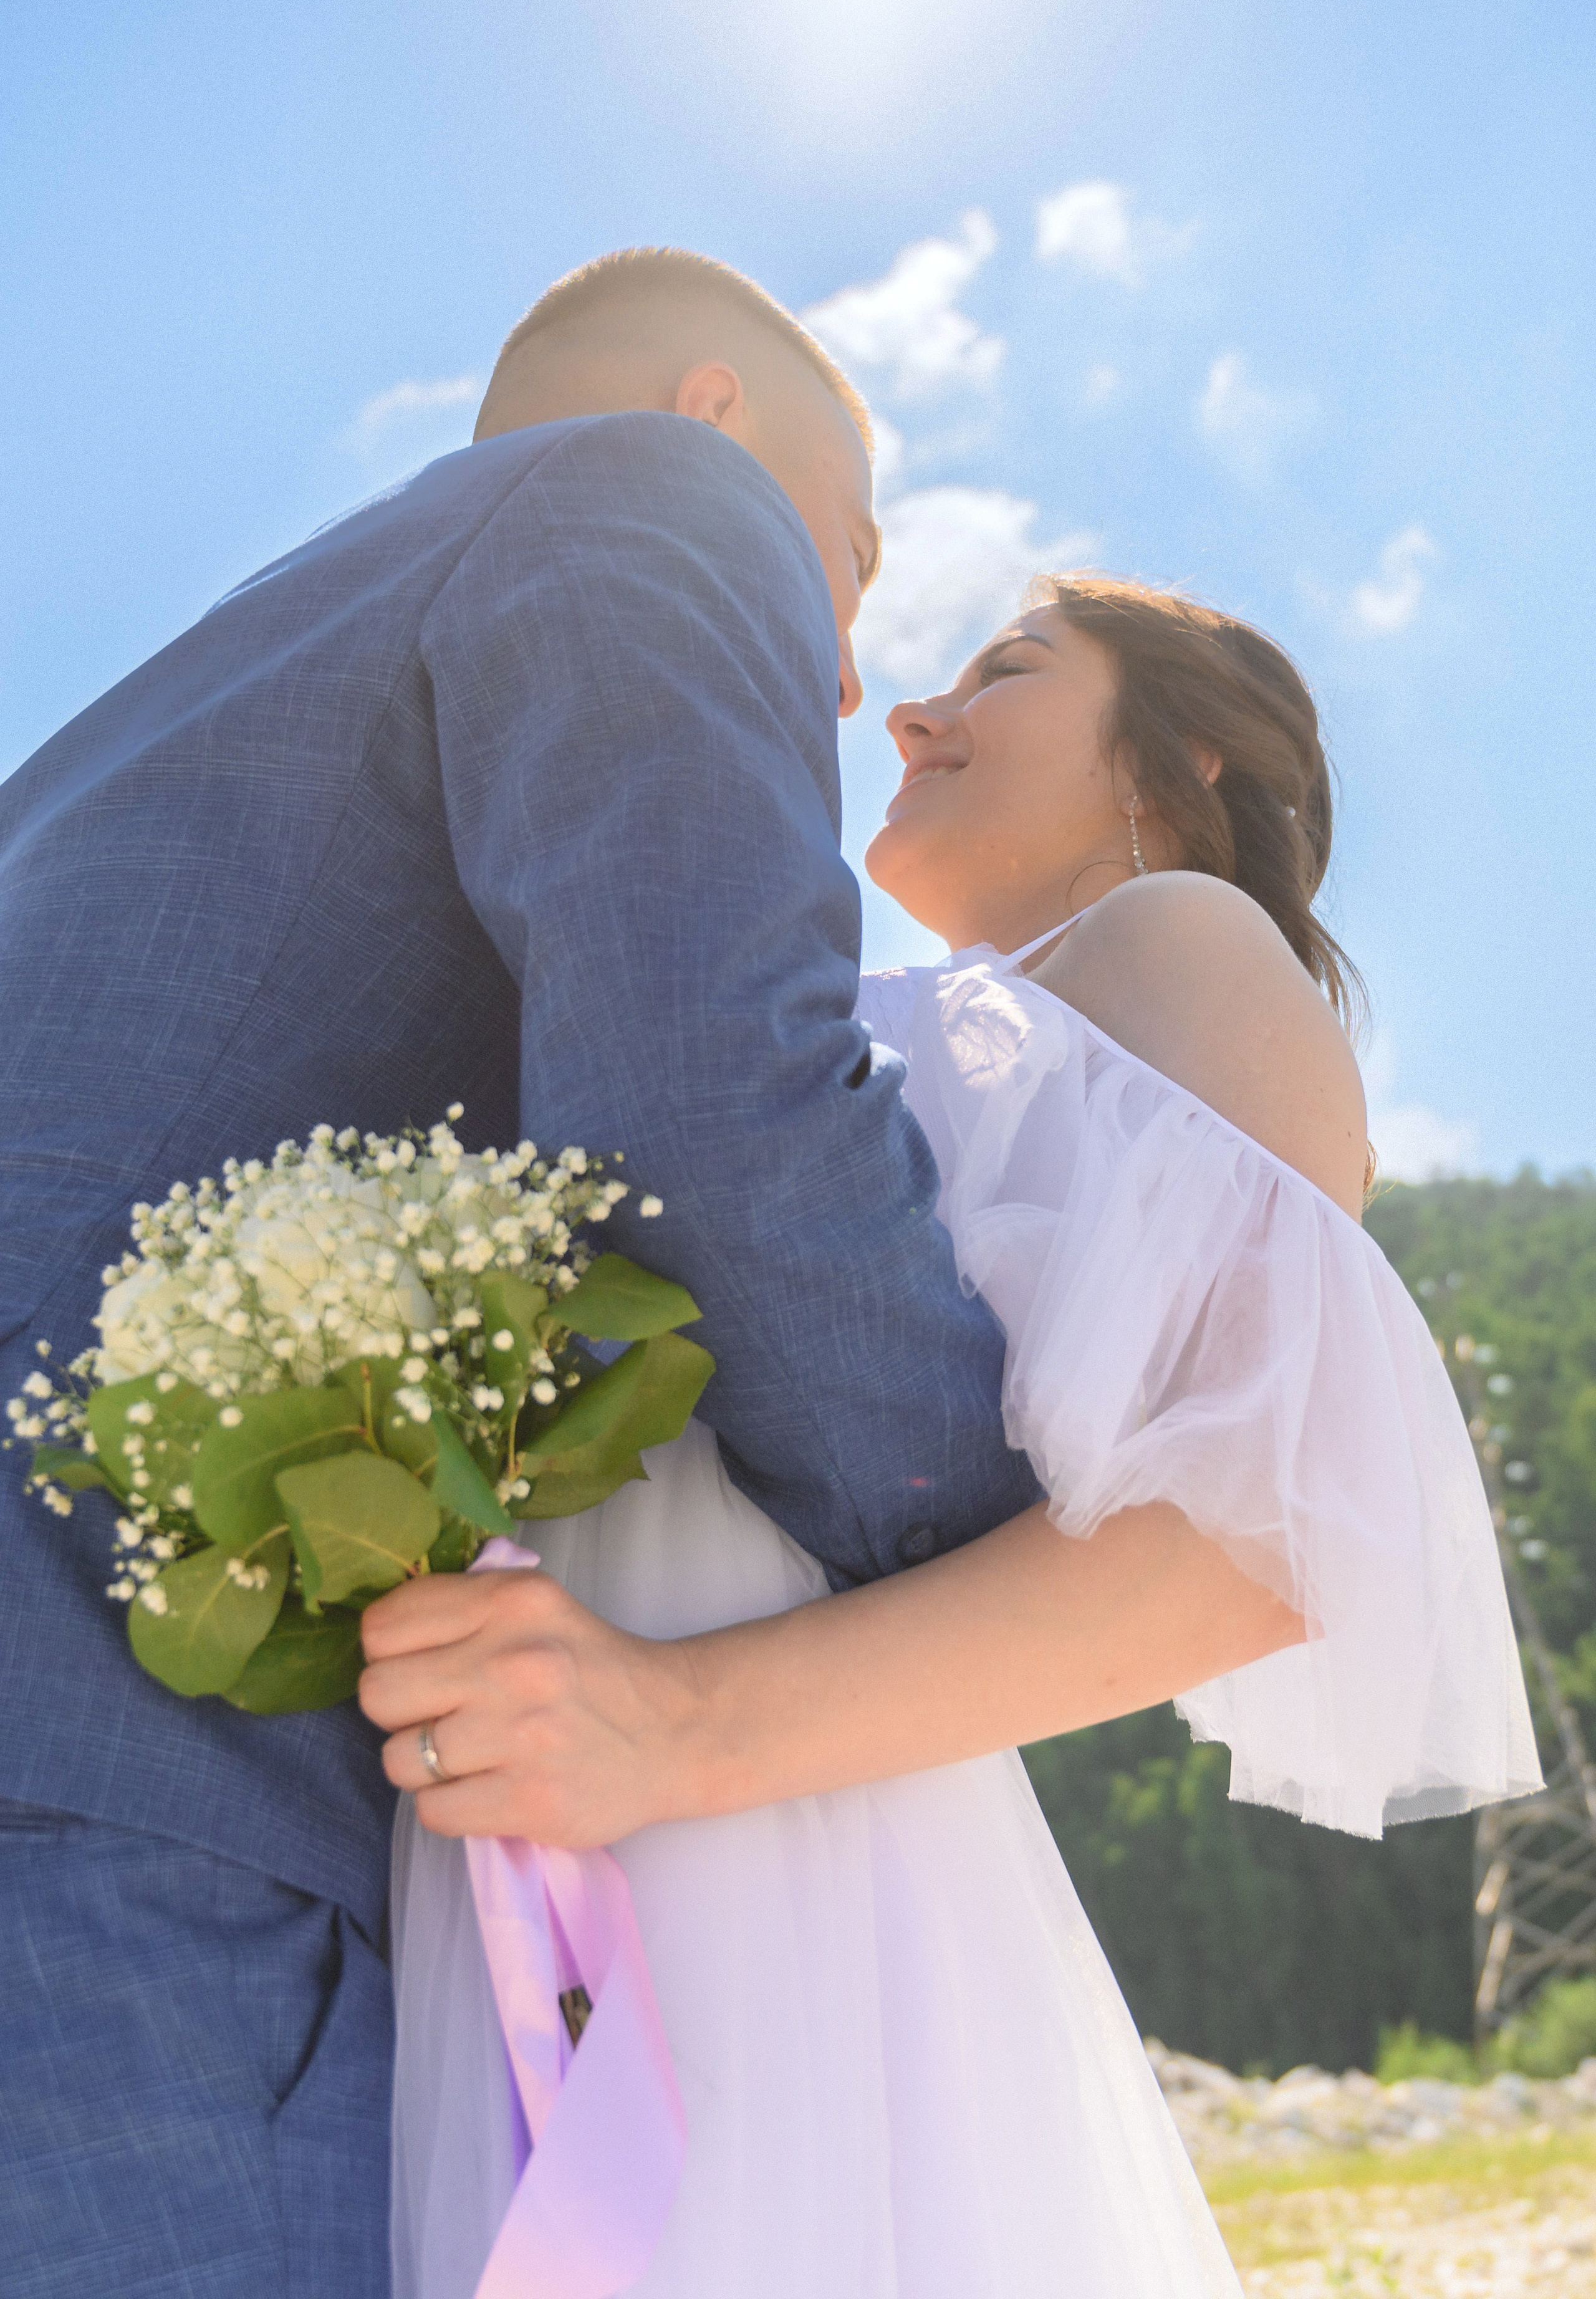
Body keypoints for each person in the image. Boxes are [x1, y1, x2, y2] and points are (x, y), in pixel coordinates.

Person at [0, 251, 1045, 2297]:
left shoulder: (165, 727)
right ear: (715, 418)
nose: (848, 674)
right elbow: (710, 1085)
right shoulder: (653, 500)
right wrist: (990, 1572)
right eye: (848, 557)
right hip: (114, 1789)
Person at [364, 578, 1541, 2296]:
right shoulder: (872, 1028)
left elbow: (1276, 1526)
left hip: (748, 1845)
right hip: (521, 1817)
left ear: (1183, 757)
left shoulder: (1180, 938)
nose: (908, 719)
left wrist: (669, 1730)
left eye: (1005, 670)